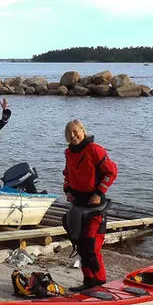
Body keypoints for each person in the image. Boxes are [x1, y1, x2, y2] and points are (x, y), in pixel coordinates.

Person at [62, 119, 118, 291]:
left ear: (83, 131)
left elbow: (111, 171)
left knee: (92, 247)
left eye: (75, 131)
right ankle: (89, 282)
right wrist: (68, 191)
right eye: (69, 133)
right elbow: (67, 174)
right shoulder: (69, 153)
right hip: (78, 204)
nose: (73, 135)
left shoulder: (94, 149)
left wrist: (99, 193)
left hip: (95, 206)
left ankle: (100, 283)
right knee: (80, 244)